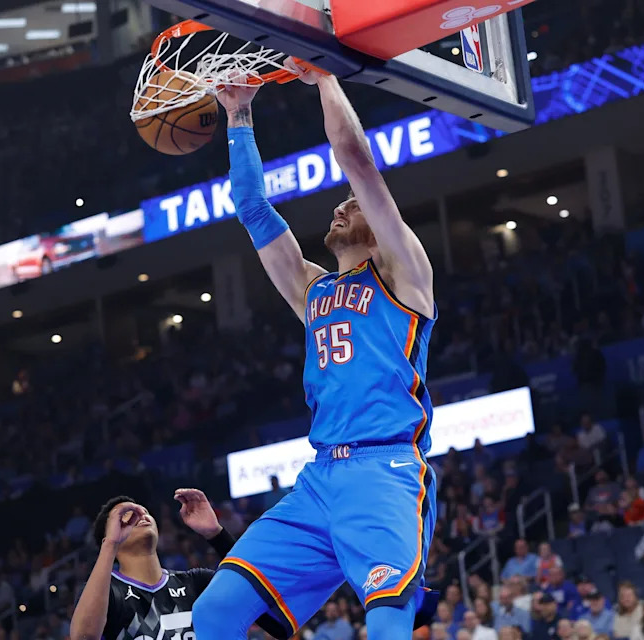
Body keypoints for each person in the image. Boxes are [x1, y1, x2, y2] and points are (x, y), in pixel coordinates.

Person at [192, 61, 438, 640]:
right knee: (215, 611)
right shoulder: (314, 290)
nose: (339, 206)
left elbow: (356, 158)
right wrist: (239, 116)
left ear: (380, 225)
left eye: (351, 204)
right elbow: (253, 208)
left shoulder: (405, 273)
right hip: (319, 478)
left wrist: (324, 76)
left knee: (386, 623)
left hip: (385, 469)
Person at [70, 489, 288, 640]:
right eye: (126, 516)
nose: (140, 515)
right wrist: (110, 545)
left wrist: (216, 535)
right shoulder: (106, 595)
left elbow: (273, 618)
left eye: (143, 511)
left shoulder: (198, 582)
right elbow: (83, 636)